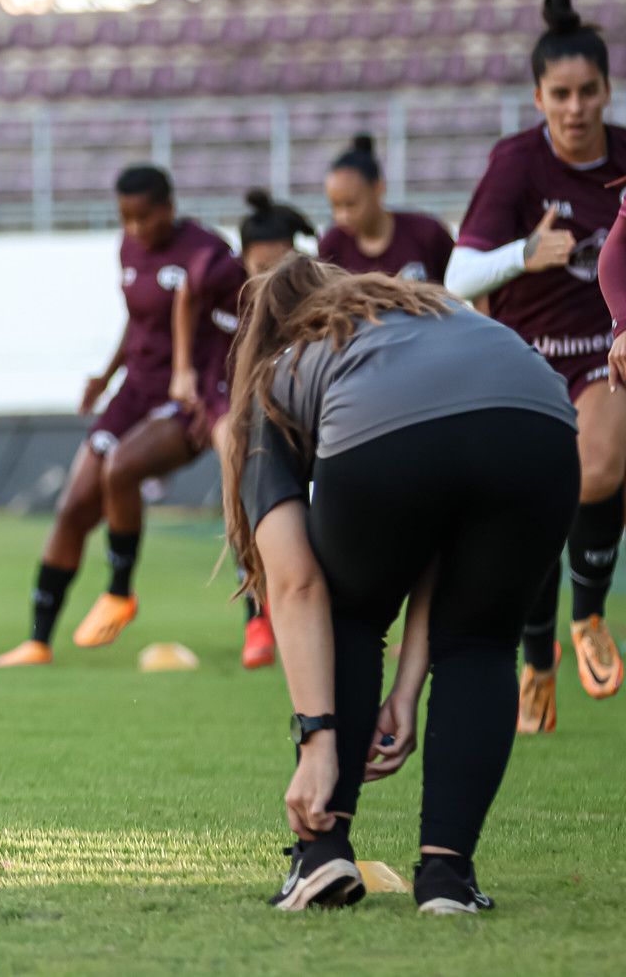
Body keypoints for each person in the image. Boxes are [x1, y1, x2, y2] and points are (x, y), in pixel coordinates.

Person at [222, 258, 577, 914]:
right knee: (482, 642)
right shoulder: (434, 316)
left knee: (349, 612)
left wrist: (319, 743)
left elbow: (299, 586)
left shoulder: (277, 376)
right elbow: (438, 536)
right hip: (542, 419)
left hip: (414, 428)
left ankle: (322, 855)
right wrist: (407, 689)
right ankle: (447, 879)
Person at [447, 0, 625, 731]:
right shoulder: (516, 163)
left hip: (603, 353)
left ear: (609, 90)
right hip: (526, 359)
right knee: (527, 512)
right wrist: (527, 251)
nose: (576, 107)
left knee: (602, 464)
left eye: (589, 91)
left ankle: (587, 615)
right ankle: (537, 657)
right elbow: (458, 277)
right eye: (561, 94)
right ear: (538, 96)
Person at [0, 164, 232, 668]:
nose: (135, 229)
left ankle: (121, 592)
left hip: (183, 396)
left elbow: (228, 318)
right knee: (74, 506)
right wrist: (105, 376)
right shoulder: (127, 249)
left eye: (145, 217)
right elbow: (137, 319)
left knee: (121, 467)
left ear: (169, 207)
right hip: (133, 390)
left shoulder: (206, 252)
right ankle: (37, 640)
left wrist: (210, 386)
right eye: (126, 218)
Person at [172, 188, 317, 671]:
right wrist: (183, 368)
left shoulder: (312, 286)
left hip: (293, 402)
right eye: (261, 266)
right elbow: (186, 293)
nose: (269, 277)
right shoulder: (221, 276)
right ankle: (257, 616)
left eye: (280, 264)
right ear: (243, 257)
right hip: (227, 397)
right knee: (238, 469)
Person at [318, 135, 455, 282]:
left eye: (351, 204)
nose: (342, 216)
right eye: (335, 206)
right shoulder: (331, 247)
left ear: (378, 188)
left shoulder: (427, 234)